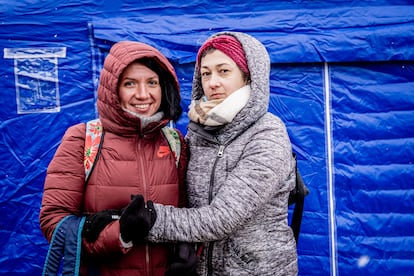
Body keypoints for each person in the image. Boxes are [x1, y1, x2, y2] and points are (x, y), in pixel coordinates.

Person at [126, 32, 299, 275]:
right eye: (206, 73)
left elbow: (222, 218)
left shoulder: (267, 134)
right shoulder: (198, 132)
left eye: (224, 71)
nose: (212, 82)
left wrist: (151, 219)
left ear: (248, 75)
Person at [39, 41, 195, 275]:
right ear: (113, 89)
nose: (143, 94)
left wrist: (188, 253)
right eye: (130, 83)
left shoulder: (174, 142)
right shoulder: (83, 139)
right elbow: (55, 222)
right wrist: (121, 234)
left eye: (152, 82)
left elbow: (188, 214)